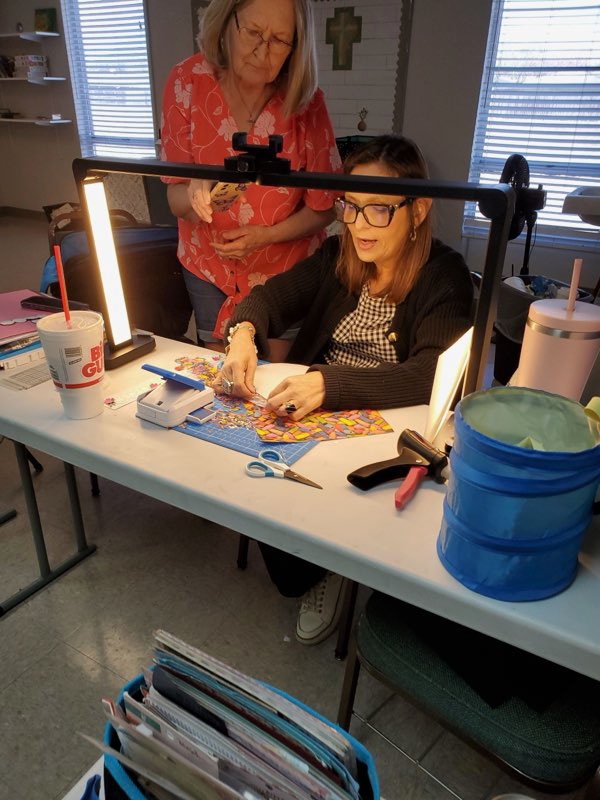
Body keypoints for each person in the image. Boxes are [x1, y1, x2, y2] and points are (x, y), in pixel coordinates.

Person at [214, 134, 474, 645]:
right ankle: (317, 561)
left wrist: (329, 384)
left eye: (378, 210)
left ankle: (332, 565)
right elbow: (268, 299)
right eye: (350, 207)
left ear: (417, 210)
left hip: (388, 426)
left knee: (326, 500)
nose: (358, 225)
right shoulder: (338, 255)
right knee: (254, 475)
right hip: (316, 406)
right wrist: (242, 334)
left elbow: (431, 373)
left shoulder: (444, 274)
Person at [161, 0, 340, 357]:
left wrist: (266, 236)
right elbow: (175, 198)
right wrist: (197, 195)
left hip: (285, 273)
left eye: (279, 40)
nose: (262, 51)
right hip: (207, 267)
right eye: (254, 33)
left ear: (296, 47)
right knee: (218, 382)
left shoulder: (306, 101)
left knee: (275, 383)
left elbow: (325, 208)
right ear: (227, 21)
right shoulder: (186, 82)